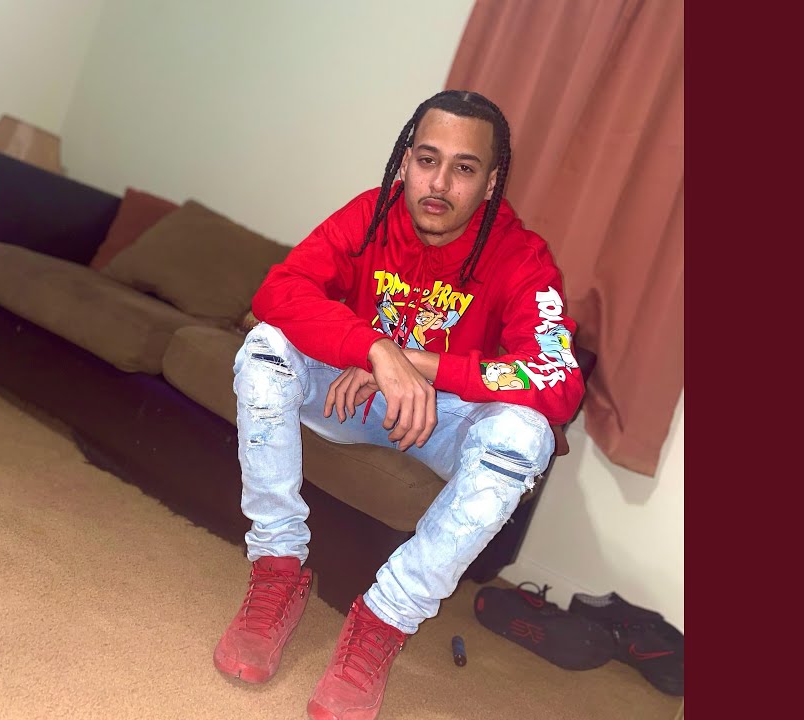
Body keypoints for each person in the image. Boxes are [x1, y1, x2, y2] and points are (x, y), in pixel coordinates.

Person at [212, 89, 586, 720]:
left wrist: (414, 363)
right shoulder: (371, 214)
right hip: (350, 394)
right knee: (266, 348)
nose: (438, 184)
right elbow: (280, 289)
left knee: (528, 435)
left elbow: (559, 378)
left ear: (491, 182)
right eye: (427, 160)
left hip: (440, 420)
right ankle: (277, 565)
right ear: (406, 161)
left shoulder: (523, 257)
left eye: (464, 168)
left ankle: (382, 621)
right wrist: (371, 348)